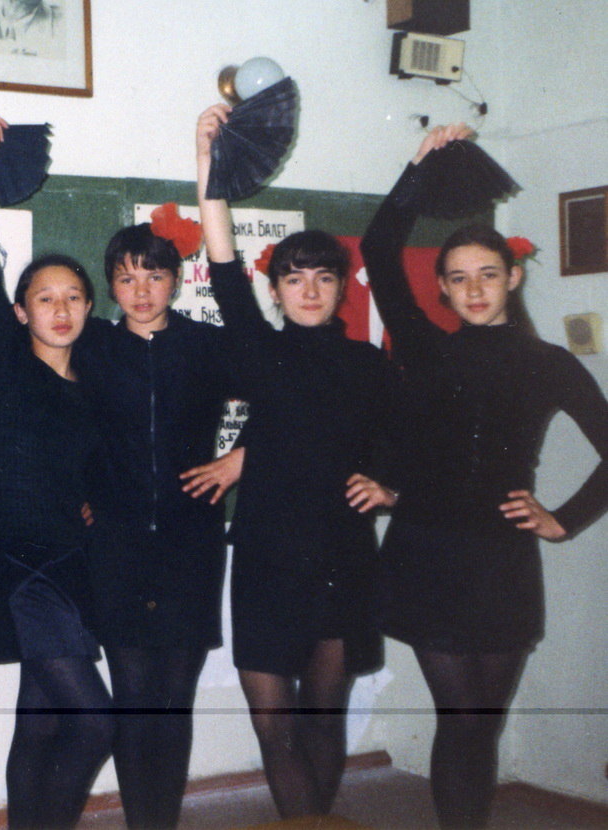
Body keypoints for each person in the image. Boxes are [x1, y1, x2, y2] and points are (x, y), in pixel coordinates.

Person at [360, 124, 608, 828]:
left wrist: (563, 518)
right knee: (460, 716)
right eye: (459, 278)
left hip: (502, 558)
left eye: (488, 275)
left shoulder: (550, 363)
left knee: (482, 722)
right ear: (441, 288)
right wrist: (418, 164)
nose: (474, 289)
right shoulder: (424, 347)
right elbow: (379, 248)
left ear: (513, 278)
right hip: (426, 553)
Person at [196, 104, 399, 820]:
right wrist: (207, 160)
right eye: (293, 278)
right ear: (275, 288)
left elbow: (401, 445)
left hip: (342, 554)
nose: (309, 290)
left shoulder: (369, 364)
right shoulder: (259, 350)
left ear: (342, 287)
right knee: (272, 724)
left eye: (322, 278)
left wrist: (390, 486)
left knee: (322, 717)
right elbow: (222, 261)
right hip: (266, 556)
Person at [0, 114, 112, 830]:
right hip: (24, 565)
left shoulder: (92, 383)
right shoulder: (7, 365)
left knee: (42, 721)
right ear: (20, 312)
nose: (61, 308)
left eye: (73, 296)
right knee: (95, 723)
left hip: (73, 561)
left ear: (89, 307)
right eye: (44, 298)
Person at [72, 216, 244, 827]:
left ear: (176, 279)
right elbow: (52, 417)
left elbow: (286, 394)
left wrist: (240, 458)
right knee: (132, 696)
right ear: (110, 286)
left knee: (173, 699)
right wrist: (78, 492)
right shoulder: (91, 345)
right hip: (115, 543)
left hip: (190, 540)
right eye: (126, 279)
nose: (141, 291)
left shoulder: (207, 345)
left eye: (154, 276)